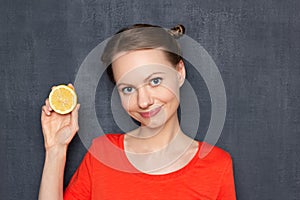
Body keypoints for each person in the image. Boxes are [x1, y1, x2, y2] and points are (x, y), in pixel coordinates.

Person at [39, 24, 236, 200]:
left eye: (155, 81)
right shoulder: (102, 154)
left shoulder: (217, 166)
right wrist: (56, 149)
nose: (144, 101)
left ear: (179, 73)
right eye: (128, 89)